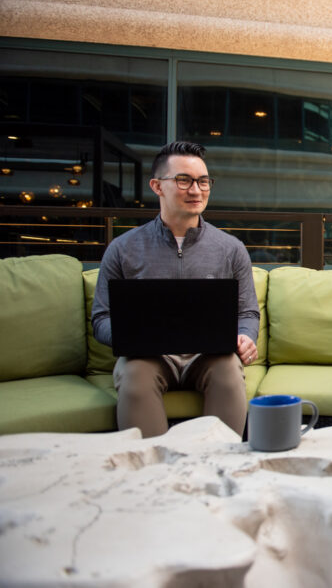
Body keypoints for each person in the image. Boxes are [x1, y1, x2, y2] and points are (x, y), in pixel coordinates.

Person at [91, 141, 260, 438]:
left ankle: (218, 465)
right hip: (148, 356)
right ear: (157, 186)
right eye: (184, 180)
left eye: (203, 181)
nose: (196, 190)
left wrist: (245, 336)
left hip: (208, 356)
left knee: (229, 370)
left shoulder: (231, 249)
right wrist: (131, 338)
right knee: (135, 374)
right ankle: (151, 471)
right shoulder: (122, 249)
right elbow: (101, 318)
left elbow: (247, 312)